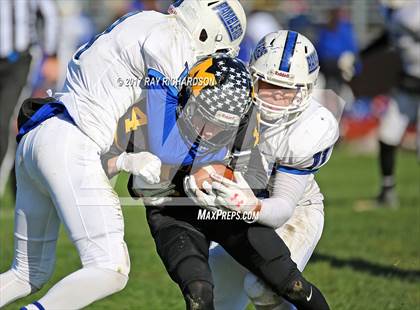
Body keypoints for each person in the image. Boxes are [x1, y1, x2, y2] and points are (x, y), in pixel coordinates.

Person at [0, 1, 247, 308]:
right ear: (207, 32)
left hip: (41, 136)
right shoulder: (172, 40)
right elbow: (164, 145)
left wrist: (128, 159)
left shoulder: (145, 20)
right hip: (71, 141)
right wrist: (223, 156)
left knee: (27, 273)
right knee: (110, 268)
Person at [192, 30, 339, 309]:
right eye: (268, 84)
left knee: (263, 287)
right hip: (237, 205)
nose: (276, 97)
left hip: (295, 210)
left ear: (306, 89)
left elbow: (283, 206)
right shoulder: (232, 100)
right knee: (213, 291)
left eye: (288, 89)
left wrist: (252, 206)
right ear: (252, 76)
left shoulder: (311, 127)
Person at [0, 0, 60, 198]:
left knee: (6, 120)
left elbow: (49, 13)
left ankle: (13, 184)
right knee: (11, 124)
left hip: (18, 59)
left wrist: (51, 55)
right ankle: (20, 183)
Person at [375, 0, 420, 207]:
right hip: (408, 86)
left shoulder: (411, 13)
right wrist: (361, 54)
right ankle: (387, 191)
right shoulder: (399, 15)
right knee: (387, 135)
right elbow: (389, 38)